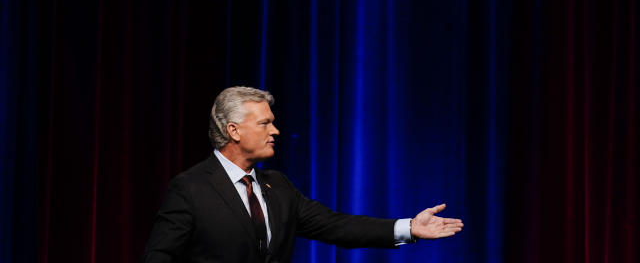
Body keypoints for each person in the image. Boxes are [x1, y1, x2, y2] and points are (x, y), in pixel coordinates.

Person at [143, 86, 463, 262]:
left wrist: (409, 227)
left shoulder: (277, 186)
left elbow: (337, 226)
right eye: (265, 123)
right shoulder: (191, 188)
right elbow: (159, 257)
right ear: (233, 130)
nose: (276, 131)